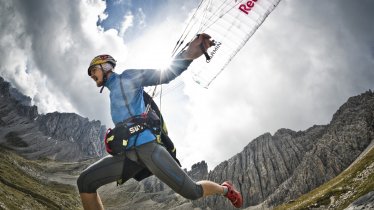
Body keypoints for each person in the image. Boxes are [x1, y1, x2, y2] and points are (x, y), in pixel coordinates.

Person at [77, 34, 243, 209]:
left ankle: (226, 190)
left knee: (192, 192)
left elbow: (163, 75)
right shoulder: (112, 94)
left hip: (148, 148)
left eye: (93, 70)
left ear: (105, 66)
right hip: (128, 156)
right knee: (85, 182)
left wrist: (188, 54)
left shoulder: (127, 77)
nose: (91, 75)